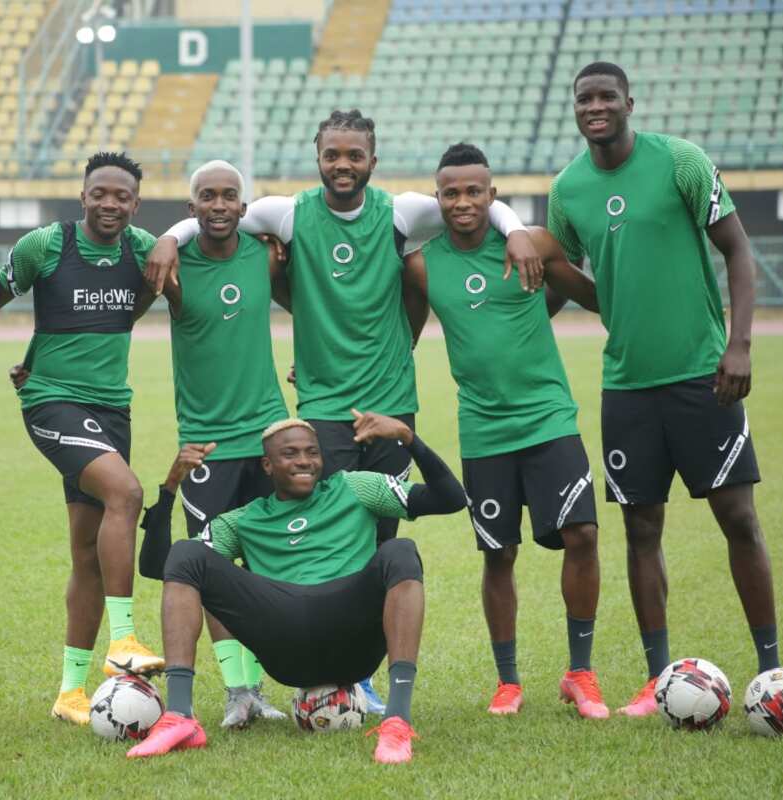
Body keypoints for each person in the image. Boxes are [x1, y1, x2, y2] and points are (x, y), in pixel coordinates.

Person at [145, 109, 542, 713]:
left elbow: (480, 202)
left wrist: (514, 227)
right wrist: (171, 237)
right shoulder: (289, 213)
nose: (343, 165)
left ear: (372, 161)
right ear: (318, 157)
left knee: (382, 544)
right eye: (333, 154)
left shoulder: (401, 211)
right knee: (327, 543)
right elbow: (214, 213)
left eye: (354, 155)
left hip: (390, 406)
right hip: (325, 410)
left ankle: (360, 677)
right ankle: (318, 663)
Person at [548, 62, 778, 717]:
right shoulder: (568, 189)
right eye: (584, 99)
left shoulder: (680, 162)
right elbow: (568, 276)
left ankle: (770, 670)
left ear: (628, 102)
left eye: (606, 97)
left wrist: (739, 344)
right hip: (626, 388)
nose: (595, 107)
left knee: (739, 519)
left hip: (705, 376)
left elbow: (737, 251)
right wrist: (564, 277)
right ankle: (659, 680)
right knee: (641, 532)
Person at [130, 414, 469, 764]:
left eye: (312, 452)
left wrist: (408, 438)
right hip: (285, 642)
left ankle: (397, 722)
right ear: (267, 464)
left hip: (351, 639)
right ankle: (180, 716)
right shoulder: (245, 519)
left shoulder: (356, 487)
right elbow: (160, 567)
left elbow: (451, 499)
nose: (304, 461)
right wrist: (170, 487)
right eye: (290, 453)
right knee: (187, 554)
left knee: (400, 550)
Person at [404, 142, 607, 719]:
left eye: (474, 191)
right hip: (483, 429)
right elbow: (400, 338)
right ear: (437, 198)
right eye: (451, 192)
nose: (463, 201)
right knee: (499, 554)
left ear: (493, 196)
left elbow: (589, 294)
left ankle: (581, 673)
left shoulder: (533, 243)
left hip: (548, 417)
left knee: (583, 535)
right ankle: (508, 682)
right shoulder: (421, 266)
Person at [0, 151, 164, 726]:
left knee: (87, 553)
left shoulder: (142, 248)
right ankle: (124, 641)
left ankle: (70, 692)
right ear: (83, 196)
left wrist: (171, 240)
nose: (110, 203)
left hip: (111, 410)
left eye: (122, 196)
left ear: (135, 204)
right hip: (51, 402)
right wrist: (25, 364)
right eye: (101, 193)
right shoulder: (46, 245)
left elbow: (141, 302)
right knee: (126, 494)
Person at [158, 160, 290, 727]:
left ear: (243, 206)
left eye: (228, 196)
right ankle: (240, 692)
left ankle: (286, 681)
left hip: (267, 434)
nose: (217, 205)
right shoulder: (172, 268)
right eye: (206, 196)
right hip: (207, 447)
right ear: (192, 209)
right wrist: (169, 238)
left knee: (273, 565)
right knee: (214, 568)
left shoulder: (264, 254)